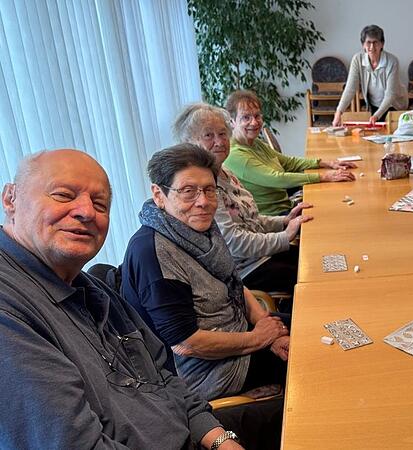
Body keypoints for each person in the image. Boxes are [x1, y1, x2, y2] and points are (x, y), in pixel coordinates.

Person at [0, 149, 242, 449]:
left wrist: (220, 440)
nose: (86, 212)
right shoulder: (10, 306)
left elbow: (165, 378)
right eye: (63, 195)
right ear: (10, 198)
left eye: (99, 204)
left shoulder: (89, 288)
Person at [121, 144, 290, 448]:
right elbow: (186, 344)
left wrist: (268, 326)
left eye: (210, 190)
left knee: (311, 326)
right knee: (311, 372)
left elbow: (236, 284)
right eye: (188, 191)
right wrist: (260, 339)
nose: (203, 202)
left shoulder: (202, 228)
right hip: (207, 371)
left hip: (240, 335)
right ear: (159, 195)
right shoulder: (153, 252)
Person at [173, 102, 311, 297]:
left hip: (262, 256)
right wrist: (284, 236)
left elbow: (250, 219)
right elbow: (233, 242)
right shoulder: (204, 189)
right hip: (244, 272)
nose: (219, 142)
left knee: (313, 256)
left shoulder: (226, 172)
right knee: (310, 275)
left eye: (222, 134)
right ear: (189, 142)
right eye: (208, 135)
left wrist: (284, 221)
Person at [224, 90, 357, 215]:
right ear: (232, 122)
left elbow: (288, 162)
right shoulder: (235, 154)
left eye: (257, 116)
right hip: (273, 218)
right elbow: (277, 178)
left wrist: (326, 163)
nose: (254, 122)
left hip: (286, 206)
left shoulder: (255, 143)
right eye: (246, 118)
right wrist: (324, 177)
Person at [332, 24, 408, 126]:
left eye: (375, 42)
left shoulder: (392, 61)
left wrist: (377, 115)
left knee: (392, 137)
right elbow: (350, 88)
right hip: (374, 105)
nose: (372, 47)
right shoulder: (357, 60)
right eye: (368, 43)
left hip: (394, 105)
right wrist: (338, 112)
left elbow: (391, 94)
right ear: (363, 45)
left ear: (382, 44)